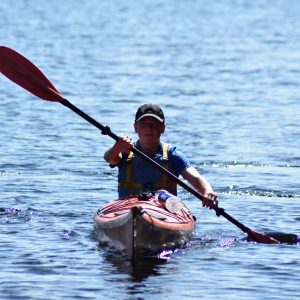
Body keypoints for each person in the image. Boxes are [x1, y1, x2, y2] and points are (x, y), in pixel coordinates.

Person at [104, 103, 218, 208]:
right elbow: (109, 158)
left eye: (154, 124)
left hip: (164, 211)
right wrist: (117, 146)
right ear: (135, 127)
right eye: (144, 124)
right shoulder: (125, 151)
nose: (149, 128)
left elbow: (197, 179)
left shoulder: (173, 156)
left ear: (163, 128)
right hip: (128, 209)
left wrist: (208, 192)